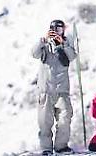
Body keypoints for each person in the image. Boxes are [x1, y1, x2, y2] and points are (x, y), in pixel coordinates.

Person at [31, 18, 77, 155]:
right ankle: (46, 148)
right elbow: (34, 53)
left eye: (60, 28)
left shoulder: (66, 44)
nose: (57, 31)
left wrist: (62, 44)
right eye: (54, 28)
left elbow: (73, 56)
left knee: (65, 117)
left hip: (62, 90)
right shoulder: (44, 44)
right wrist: (42, 41)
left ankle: (61, 146)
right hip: (45, 90)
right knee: (45, 122)